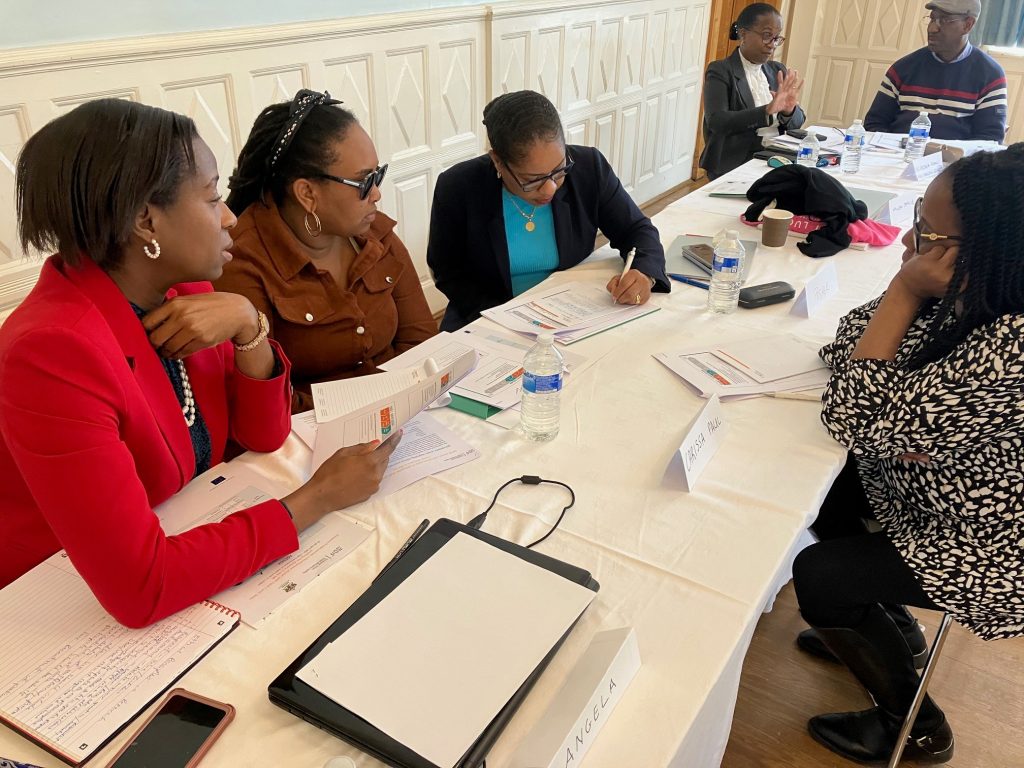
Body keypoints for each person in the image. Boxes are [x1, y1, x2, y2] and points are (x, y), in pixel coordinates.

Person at [0, 99, 400, 628]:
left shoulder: (182, 292)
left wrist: (247, 324)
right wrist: (317, 498)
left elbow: (263, 434)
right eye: (213, 198)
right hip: (56, 606)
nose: (230, 216)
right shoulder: (51, 354)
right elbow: (141, 586)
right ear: (146, 219)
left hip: (185, 529)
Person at [792, 144, 1024, 765]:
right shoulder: (986, 291)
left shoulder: (1012, 347)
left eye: (929, 231)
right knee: (825, 493)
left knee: (819, 577)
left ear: (983, 249)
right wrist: (905, 306)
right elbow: (848, 345)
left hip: (992, 541)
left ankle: (917, 724)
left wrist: (902, 291)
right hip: (935, 491)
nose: (909, 240)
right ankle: (890, 625)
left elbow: (848, 408)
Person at [215, 90, 437, 413]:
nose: (376, 193)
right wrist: (372, 404)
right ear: (307, 193)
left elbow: (423, 345)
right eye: (364, 182)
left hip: (402, 415)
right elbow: (268, 405)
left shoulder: (374, 235)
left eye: (379, 175)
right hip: (310, 441)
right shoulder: (244, 261)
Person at [426, 90, 669, 331]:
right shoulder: (458, 186)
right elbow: (448, 272)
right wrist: (508, 317)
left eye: (559, 171)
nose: (550, 189)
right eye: (532, 180)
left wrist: (644, 273)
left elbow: (635, 229)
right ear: (498, 161)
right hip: (487, 317)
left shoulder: (589, 167)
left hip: (573, 316)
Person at [864, 0, 1007, 141]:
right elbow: (875, 123)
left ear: (968, 25)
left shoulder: (990, 75)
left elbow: (990, 138)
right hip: (898, 156)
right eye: (932, 19)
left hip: (955, 162)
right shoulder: (903, 68)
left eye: (944, 20)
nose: (932, 28)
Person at [700, 2, 805, 180]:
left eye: (776, 38)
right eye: (766, 36)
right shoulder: (721, 70)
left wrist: (789, 110)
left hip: (776, 156)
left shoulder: (776, 70)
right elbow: (717, 122)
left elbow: (797, 123)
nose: (772, 44)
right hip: (737, 160)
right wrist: (766, 111)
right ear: (743, 34)